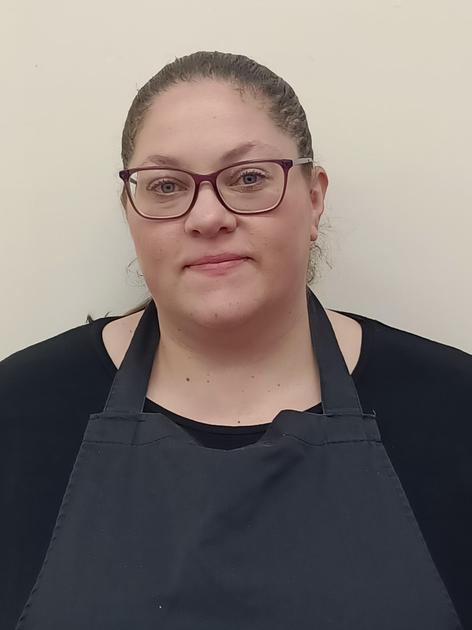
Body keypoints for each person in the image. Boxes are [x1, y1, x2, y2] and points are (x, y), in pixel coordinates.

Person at [1, 50, 471, 630]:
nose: (207, 217)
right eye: (167, 185)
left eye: (248, 178)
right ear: (130, 212)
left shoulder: (454, 407)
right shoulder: (19, 410)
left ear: (314, 198)